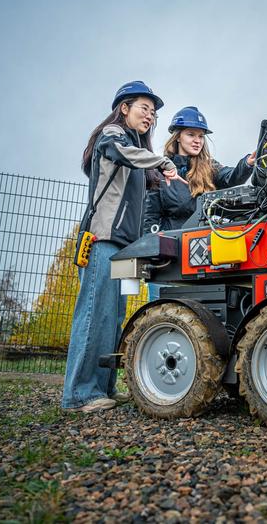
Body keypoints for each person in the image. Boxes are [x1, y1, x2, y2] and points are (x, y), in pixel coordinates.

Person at [62, 81, 178, 413]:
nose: (150, 116)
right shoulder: (113, 135)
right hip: (103, 242)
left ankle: (103, 388)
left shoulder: (138, 153)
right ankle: (79, 395)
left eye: (153, 112)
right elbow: (120, 152)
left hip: (128, 249)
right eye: (144, 108)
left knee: (116, 317)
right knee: (95, 314)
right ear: (124, 107)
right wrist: (162, 161)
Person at [142, 106, 255, 300]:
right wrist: (154, 255)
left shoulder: (210, 167)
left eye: (201, 136)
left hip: (203, 252)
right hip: (170, 256)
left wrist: (247, 163)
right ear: (177, 137)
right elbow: (150, 217)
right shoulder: (158, 171)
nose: (197, 140)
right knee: (166, 311)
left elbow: (232, 177)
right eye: (191, 134)